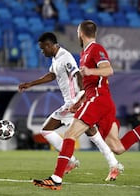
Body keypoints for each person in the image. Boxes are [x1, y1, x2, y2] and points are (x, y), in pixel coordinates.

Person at [32, 20, 140, 190]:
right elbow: (89, 84)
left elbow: (108, 70)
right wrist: (78, 102)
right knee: (118, 147)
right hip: (101, 101)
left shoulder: (95, 49)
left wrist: (91, 71)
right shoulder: (85, 52)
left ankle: (56, 178)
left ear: (80, 33)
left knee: (70, 134)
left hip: (98, 99)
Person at [19, 32, 123, 181]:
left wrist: (81, 98)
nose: (42, 52)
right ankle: (113, 164)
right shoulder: (56, 59)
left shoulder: (66, 57)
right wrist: (30, 84)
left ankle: (72, 162)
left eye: (43, 49)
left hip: (74, 102)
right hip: (73, 102)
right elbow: (51, 75)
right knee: (92, 133)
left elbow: (79, 75)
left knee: (48, 130)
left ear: (49, 45)